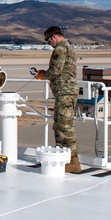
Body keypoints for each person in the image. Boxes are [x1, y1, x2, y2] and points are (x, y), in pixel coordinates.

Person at [33, 26, 80, 173]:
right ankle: (65, 158)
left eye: (48, 40)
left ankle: (72, 161)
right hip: (66, 91)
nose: (49, 44)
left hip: (64, 92)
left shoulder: (60, 49)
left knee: (64, 126)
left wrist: (42, 76)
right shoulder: (68, 47)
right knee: (61, 124)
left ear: (53, 37)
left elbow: (56, 71)